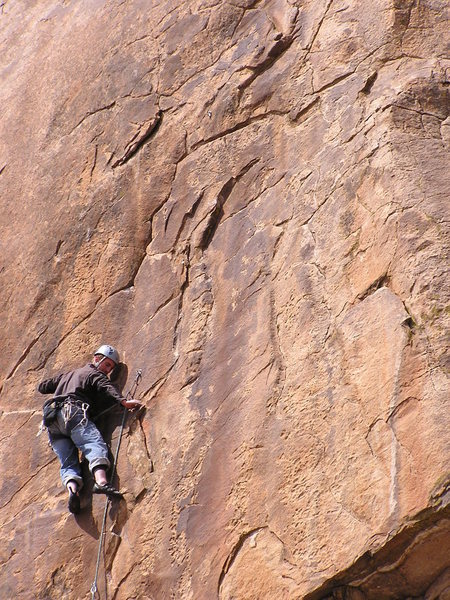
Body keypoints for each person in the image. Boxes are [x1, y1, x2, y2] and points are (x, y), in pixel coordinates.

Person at [38, 344, 143, 514]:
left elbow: (42, 387)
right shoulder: (94, 374)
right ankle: (101, 482)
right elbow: (106, 387)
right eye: (107, 364)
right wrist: (123, 402)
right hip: (72, 413)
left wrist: (61, 382)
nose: (108, 370)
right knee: (94, 443)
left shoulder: (70, 374)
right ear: (96, 358)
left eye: (111, 367)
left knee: (68, 461)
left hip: (52, 420)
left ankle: (73, 489)